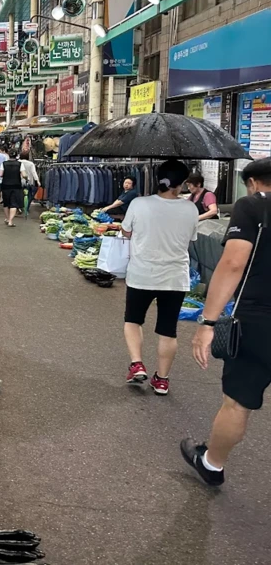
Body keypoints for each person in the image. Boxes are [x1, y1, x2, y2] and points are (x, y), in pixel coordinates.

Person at [182, 158, 271, 486]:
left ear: (253, 183)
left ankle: (212, 463)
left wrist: (207, 323)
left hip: (260, 320)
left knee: (238, 401)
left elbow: (233, 263)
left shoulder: (252, 207)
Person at [120, 160, 200, 395]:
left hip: (142, 274)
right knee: (168, 330)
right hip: (175, 277)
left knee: (133, 320)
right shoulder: (190, 208)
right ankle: (162, 380)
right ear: (182, 183)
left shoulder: (139, 203)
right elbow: (191, 239)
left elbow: (126, 231)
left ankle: (136, 364)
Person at [0, 150, 25, 227]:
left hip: (5, 185)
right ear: (16, 156)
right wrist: (26, 177)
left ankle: (7, 218)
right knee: (14, 203)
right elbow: (24, 174)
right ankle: (10, 221)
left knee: (6, 203)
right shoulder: (20, 164)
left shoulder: (4, 164)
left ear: (9, 155)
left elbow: (0, 174)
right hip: (16, 185)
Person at [18, 150, 40, 216]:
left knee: (20, 195)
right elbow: (34, 173)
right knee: (29, 195)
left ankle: (20, 206)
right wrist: (37, 181)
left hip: (19, 181)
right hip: (29, 181)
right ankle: (26, 208)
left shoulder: (18, 162)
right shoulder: (31, 164)